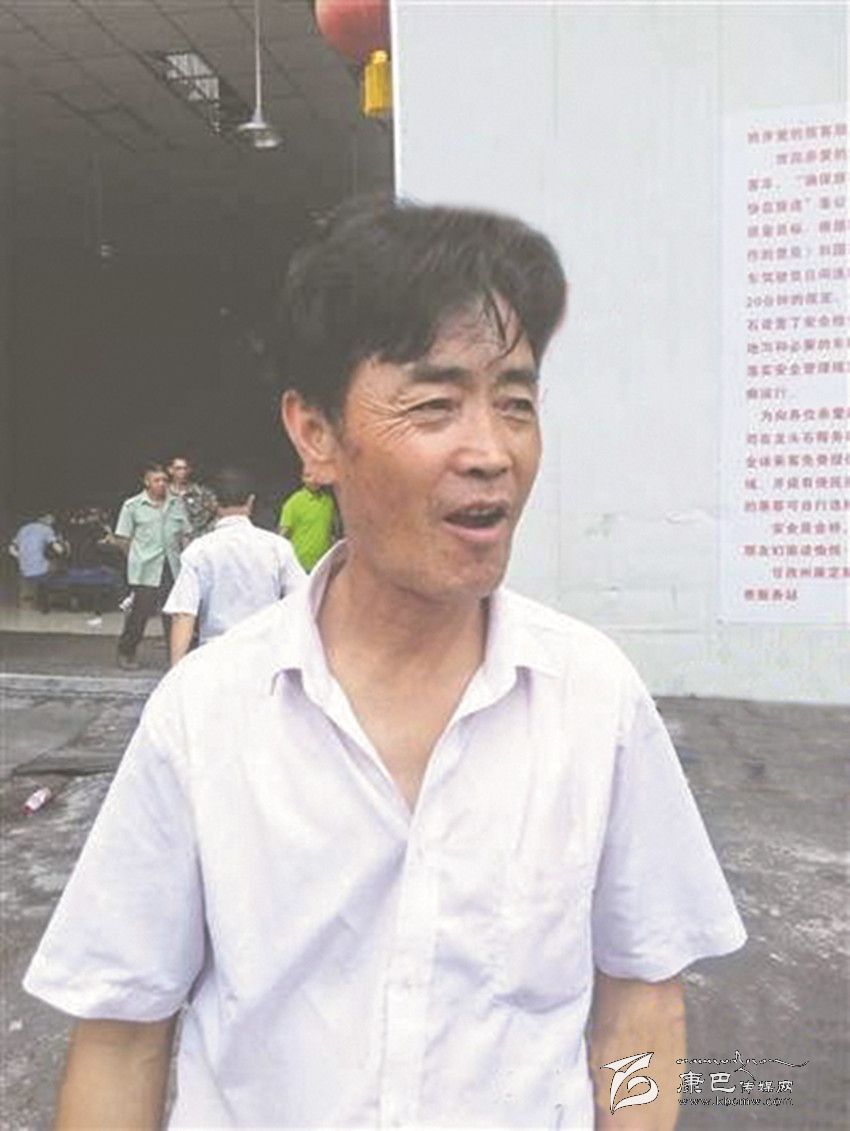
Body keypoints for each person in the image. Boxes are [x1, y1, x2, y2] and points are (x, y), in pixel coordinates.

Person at [24, 199, 745, 1130]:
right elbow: (124, 1037)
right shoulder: (204, 715)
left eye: (516, 403)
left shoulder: (595, 701)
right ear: (315, 434)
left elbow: (640, 1003)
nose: (491, 452)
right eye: (435, 404)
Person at [164, 466, 306, 665]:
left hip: (215, 656)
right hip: (265, 654)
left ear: (213, 503)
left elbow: (183, 614)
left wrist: (176, 672)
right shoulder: (277, 547)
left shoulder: (198, 550)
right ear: (251, 501)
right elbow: (302, 601)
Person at [109, 463, 190, 670]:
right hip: (145, 568)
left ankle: (176, 656)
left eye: (164, 480)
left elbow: (185, 534)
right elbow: (122, 538)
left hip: (171, 566)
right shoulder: (133, 506)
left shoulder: (176, 504)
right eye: (156, 480)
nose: (161, 484)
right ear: (146, 482)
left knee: (173, 613)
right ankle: (127, 651)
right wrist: (135, 558)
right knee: (140, 613)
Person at [277, 477, 339, 570]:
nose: (314, 480)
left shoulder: (328, 502)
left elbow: (333, 532)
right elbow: (283, 534)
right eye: (309, 476)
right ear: (303, 478)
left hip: (324, 565)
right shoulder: (294, 502)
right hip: (299, 565)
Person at [8, 513, 65, 612]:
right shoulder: (47, 529)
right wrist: (64, 549)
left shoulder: (23, 528)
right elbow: (58, 549)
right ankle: (56, 596)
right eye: (50, 519)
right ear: (42, 518)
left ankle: (37, 592)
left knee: (44, 562)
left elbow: (11, 549)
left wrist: (21, 557)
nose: (52, 522)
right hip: (40, 571)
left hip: (23, 570)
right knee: (58, 564)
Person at [167, 454, 217, 540]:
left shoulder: (202, 494)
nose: (182, 472)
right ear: (170, 470)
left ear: (189, 470)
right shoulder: (163, 494)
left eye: (185, 468)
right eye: (178, 469)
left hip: (197, 541)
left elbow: (213, 518)